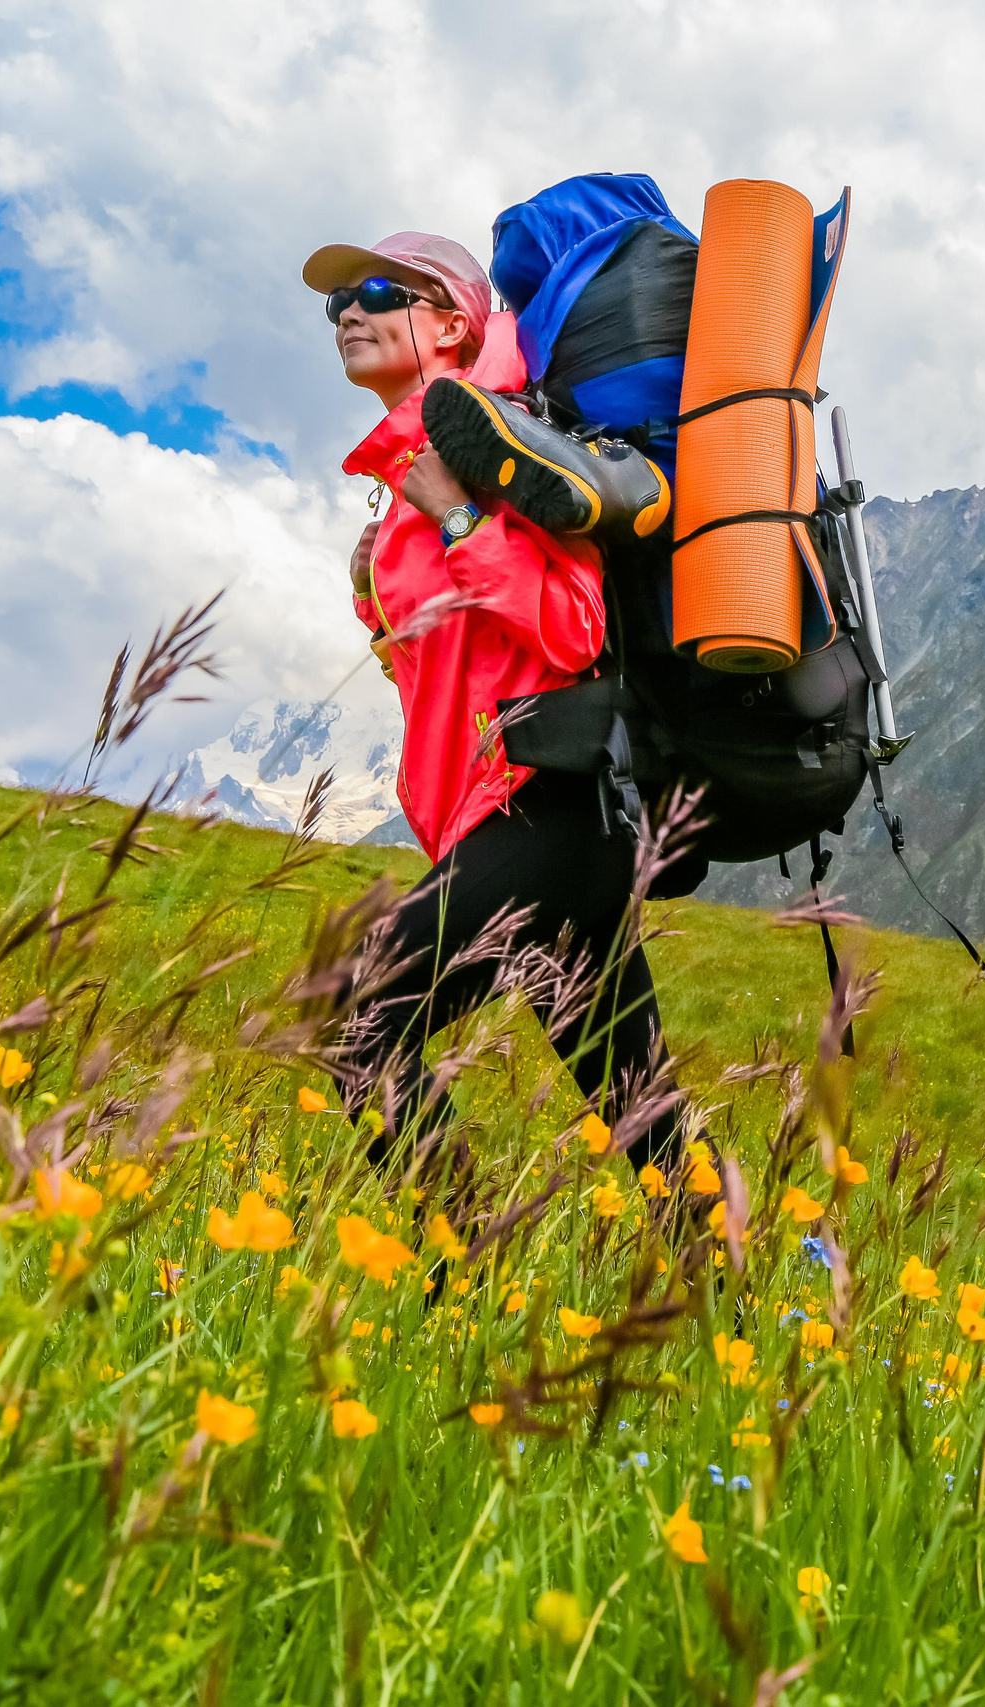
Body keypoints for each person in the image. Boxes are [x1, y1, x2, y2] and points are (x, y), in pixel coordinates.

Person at [303, 229, 679, 1172]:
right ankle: (761, 1295)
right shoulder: (405, 486)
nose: (350, 310)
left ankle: (463, 1268)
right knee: (644, 1117)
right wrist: (371, 595)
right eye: (335, 302)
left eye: (378, 290)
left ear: (449, 323)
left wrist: (462, 516)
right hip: (513, 827)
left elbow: (572, 631)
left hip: (540, 809)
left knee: (354, 1016)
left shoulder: (504, 445)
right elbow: (451, 665)